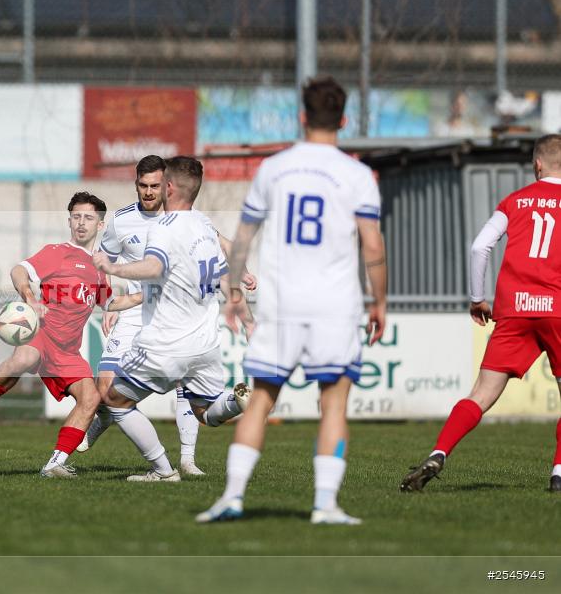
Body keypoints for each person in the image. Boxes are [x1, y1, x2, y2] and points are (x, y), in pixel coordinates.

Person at [196, 76, 387, 524]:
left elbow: (244, 234)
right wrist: (380, 300)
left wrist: (236, 291)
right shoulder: (357, 174)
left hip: (282, 304)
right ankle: (324, 504)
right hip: (335, 307)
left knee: (261, 399)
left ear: (302, 117)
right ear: (342, 119)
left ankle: (232, 497)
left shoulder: (275, 168)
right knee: (334, 404)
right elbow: (372, 245)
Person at [401, 133, 561, 495]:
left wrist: (478, 297)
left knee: (481, 394)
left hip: (516, 309)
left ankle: (439, 452)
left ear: (537, 164)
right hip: (557, 309)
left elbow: (480, 246)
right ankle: (558, 473)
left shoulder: (514, 202)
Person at [0, 192, 141, 478]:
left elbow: (110, 302)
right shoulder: (57, 252)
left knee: (90, 398)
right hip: (42, 334)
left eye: (88, 218)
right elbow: (19, 271)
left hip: (67, 351)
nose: (81, 223)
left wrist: (146, 296)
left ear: (100, 225)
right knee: (23, 358)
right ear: (69, 221)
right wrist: (29, 295)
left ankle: (54, 464)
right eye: (76, 217)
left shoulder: (101, 270)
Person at [91, 156, 254, 482]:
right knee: (205, 413)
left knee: (115, 400)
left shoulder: (166, 227)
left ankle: (163, 471)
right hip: (205, 343)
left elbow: (153, 268)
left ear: (169, 187)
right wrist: (250, 321)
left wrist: (113, 268)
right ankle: (238, 403)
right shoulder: (203, 226)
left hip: (167, 341)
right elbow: (225, 277)